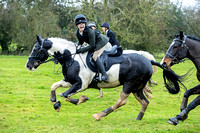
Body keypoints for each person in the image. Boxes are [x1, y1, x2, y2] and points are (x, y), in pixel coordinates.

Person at [74, 14, 111, 82]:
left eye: (83, 23)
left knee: (95, 57)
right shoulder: (78, 33)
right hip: (95, 43)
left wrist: (81, 50)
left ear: (85, 24)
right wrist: (75, 47)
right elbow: (81, 42)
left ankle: (105, 76)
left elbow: (92, 46)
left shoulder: (89, 31)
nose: (81, 25)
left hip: (101, 42)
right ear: (77, 25)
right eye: (79, 24)